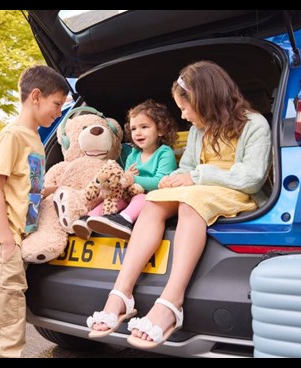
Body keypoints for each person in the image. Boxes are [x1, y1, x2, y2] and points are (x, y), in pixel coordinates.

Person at [86, 60, 272, 349]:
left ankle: (172, 302)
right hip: (199, 188)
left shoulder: (255, 124)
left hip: (235, 191)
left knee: (190, 204)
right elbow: (186, 165)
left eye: (184, 107)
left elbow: (252, 177)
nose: (183, 115)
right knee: (152, 202)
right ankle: (121, 294)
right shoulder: (199, 130)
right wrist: (170, 179)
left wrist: (194, 176)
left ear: (204, 99)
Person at [0, 64, 69, 358]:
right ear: (36, 96)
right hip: (2, 240)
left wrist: (59, 189)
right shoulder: (14, 135)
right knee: (7, 328)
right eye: (57, 104)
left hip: (16, 239)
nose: (59, 112)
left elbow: (29, 190)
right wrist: (6, 240)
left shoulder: (35, 139)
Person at [72, 99, 178, 240]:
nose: (138, 133)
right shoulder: (133, 155)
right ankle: (90, 219)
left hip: (155, 201)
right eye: (134, 129)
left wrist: (133, 179)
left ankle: (125, 220)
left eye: (144, 127)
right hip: (131, 195)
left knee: (141, 197)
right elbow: (124, 182)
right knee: (117, 197)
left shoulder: (165, 153)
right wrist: (122, 180)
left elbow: (160, 182)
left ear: (160, 130)